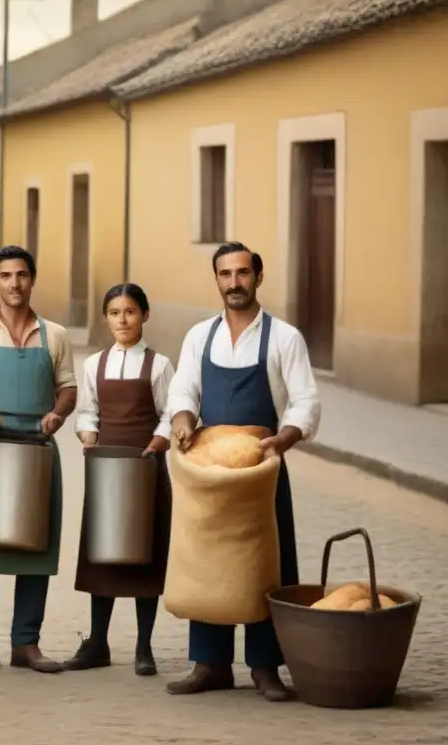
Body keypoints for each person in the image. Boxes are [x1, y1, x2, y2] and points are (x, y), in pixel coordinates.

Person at [165, 242, 321, 702]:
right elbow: (183, 391)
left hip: (261, 469)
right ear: (216, 279)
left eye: (242, 273)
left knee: (265, 564)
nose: (234, 283)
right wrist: (182, 421)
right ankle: (209, 663)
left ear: (258, 276)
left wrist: (283, 440)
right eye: (225, 274)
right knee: (207, 561)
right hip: (210, 470)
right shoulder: (200, 336)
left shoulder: (284, 338)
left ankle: (265, 667)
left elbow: (305, 401)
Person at [0, 245, 78, 675]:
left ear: (32, 279)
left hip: (38, 447)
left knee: (36, 545)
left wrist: (57, 414)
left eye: (22, 275)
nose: (15, 283)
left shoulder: (55, 335)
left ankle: (27, 644)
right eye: (6, 276)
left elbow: (68, 388)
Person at [65, 283, 175, 677]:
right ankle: (97, 642)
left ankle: (144, 647)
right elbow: (87, 411)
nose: (123, 320)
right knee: (102, 555)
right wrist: (88, 435)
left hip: (146, 468)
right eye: (115, 313)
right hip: (106, 470)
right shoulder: (94, 364)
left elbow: (170, 412)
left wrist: (158, 441)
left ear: (145, 315)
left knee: (146, 553)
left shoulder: (159, 365)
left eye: (130, 312)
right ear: (105, 318)